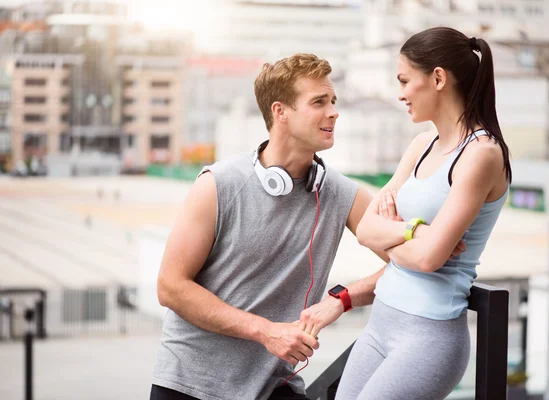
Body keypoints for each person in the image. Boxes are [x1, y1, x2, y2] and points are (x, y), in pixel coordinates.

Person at [150, 53, 388, 400]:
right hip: (189, 387)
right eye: (319, 102)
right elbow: (170, 287)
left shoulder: (340, 194)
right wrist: (265, 332)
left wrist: (343, 299)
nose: (334, 112)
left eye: (333, 101)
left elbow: (413, 261)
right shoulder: (219, 184)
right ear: (281, 112)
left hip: (272, 388)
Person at [300, 27, 512, 399]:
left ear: (438, 78)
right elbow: (366, 230)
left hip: (428, 336)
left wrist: (400, 232)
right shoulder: (421, 145)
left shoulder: (481, 154)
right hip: (382, 323)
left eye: (404, 81)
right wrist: (415, 231)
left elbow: (430, 259)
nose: (399, 94)